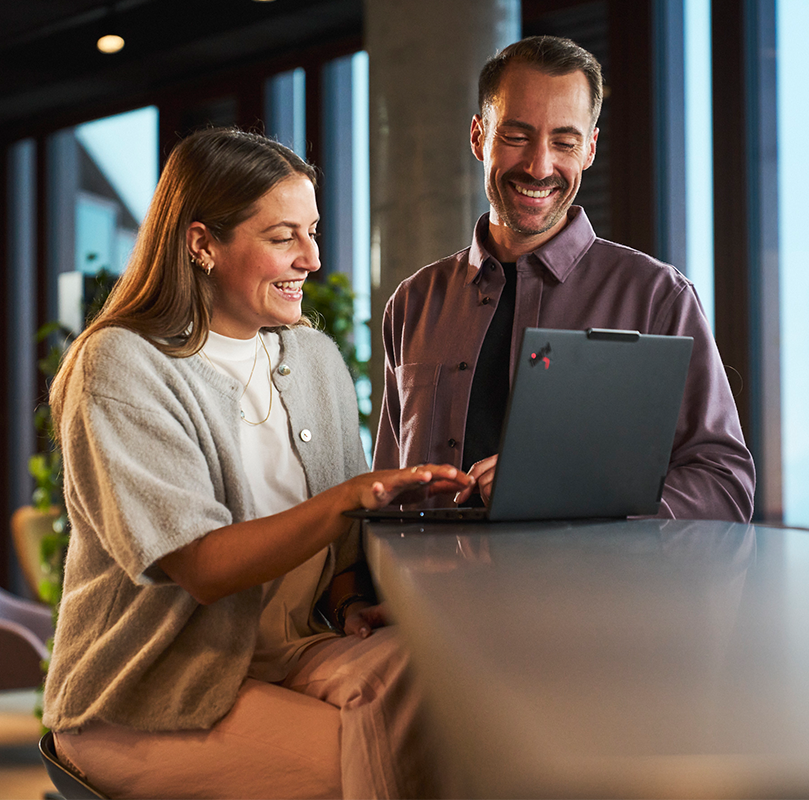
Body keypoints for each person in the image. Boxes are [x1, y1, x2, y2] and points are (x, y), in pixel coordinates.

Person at [41, 127, 471, 799]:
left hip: (284, 652)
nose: (311, 258)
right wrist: (347, 499)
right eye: (282, 238)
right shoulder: (122, 364)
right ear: (202, 243)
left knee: (445, 695)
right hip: (145, 689)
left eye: (313, 231)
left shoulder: (316, 360)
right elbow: (202, 567)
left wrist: (349, 598)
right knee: (380, 763)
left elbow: (340, 554)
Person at [373, 35, 756, 522]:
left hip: (584, 597)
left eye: (564, 141)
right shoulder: (414, 303)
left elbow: (724, 485)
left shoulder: (657, 297)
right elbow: (384, 490)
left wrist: (568, 496)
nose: (539, 166)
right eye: (516, 136)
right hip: (416, 595)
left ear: (590, 148)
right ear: (478, 137)